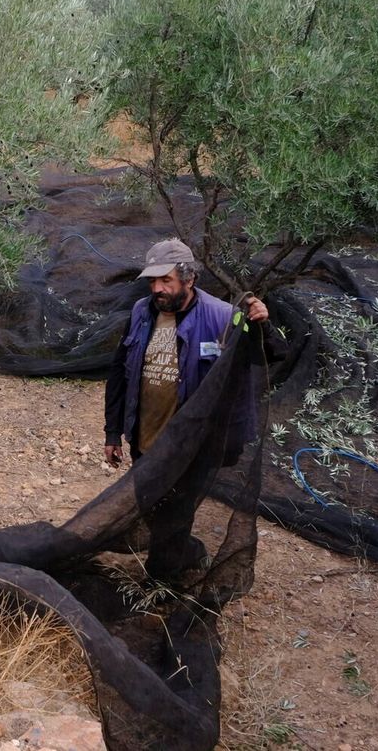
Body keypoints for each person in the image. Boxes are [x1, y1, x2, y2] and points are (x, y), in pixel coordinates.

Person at [103, 237, 271, 584]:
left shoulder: (222, 317)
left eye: (166, 280)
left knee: (175, 514)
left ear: (189, 278)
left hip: (192, 446)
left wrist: (260, 323)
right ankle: (190, 553)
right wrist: (112, 432)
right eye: (153, 281)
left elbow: (264, 355)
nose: (157, 288)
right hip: (145, 437)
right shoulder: (141, 313)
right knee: (151, 504)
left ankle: (160, 586)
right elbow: (120, 372)